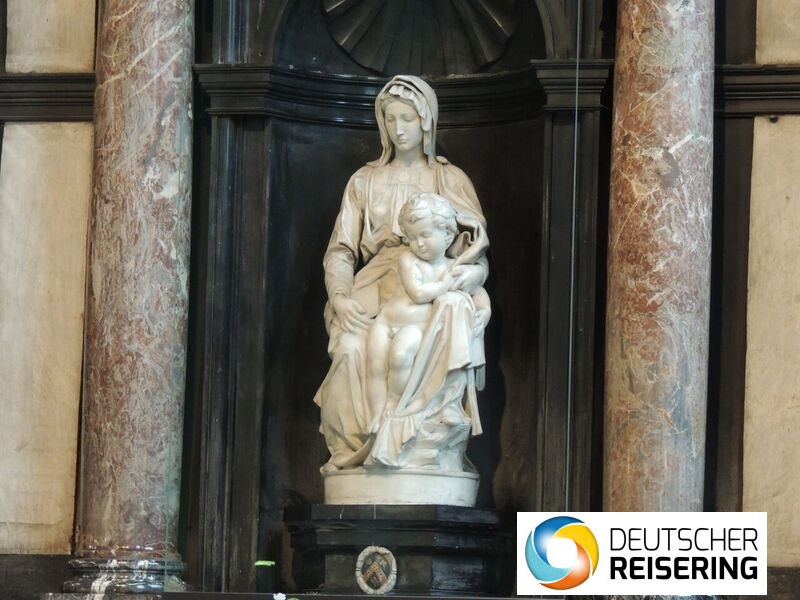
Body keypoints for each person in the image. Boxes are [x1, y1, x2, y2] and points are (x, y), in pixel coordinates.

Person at [314, 75, 490, 472]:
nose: (399, 129)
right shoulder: (364, 180)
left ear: (426, 121)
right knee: (349, 349)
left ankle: (412, 442)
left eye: (407, 118)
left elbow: (475, 250)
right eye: (390, 119)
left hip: (428, 286)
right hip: (374, 284)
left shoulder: (449, 179)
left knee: (425, 337)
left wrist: (474, 277)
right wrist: (339, 297)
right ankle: (354, 453)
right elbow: (341, 251)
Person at [365, 193, 490, 435]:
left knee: (400, 356)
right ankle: (376, 414)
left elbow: (478, 292)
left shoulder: (454, 267)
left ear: (447, 235)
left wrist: (484, 311)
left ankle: (393, 404)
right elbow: (419, 293)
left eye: (425, 235)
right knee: (376, 368)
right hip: (387, 323)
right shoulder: (409, 260)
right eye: (412, 238)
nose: (419, 244)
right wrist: (446, 284)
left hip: (415, 329)